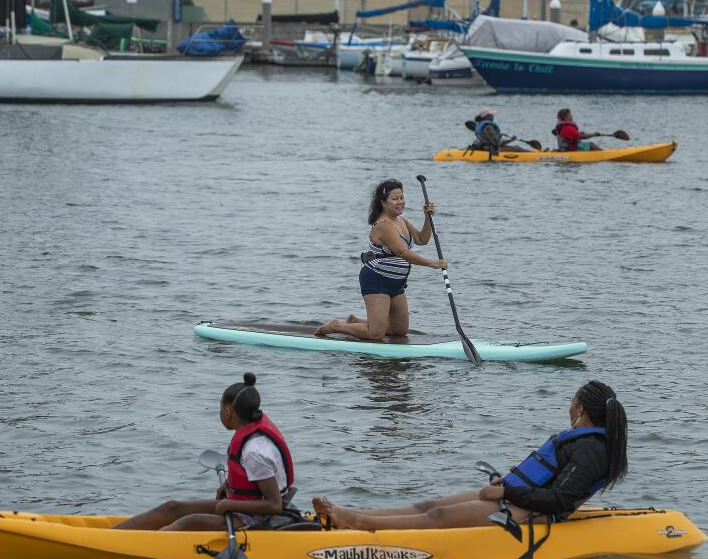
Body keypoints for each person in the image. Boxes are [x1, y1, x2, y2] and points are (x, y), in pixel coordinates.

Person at [312, 380, 627, 531]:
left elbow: (559, 500)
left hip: (535, 512)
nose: (569, 404)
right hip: (518, 498)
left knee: (437, 518)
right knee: (429, 505)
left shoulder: (592, 450)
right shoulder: (584, 442)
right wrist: (505, 484)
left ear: (581, 408)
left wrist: (506, 491)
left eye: (571, 399)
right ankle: (352, 512)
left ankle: (357, 523)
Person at [113, 373, 296, 531]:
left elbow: (274, 505)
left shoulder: (254, 452)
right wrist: (228, 484)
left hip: (257, 519)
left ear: (227, 411)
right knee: (172, 507)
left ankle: (132, 546)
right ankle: (111, 535)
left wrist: (229, 504)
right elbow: (252, 481)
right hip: (245, 507)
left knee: (189, 522)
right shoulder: (250, 433)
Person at [315, 179, 445, 341]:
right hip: (377, 280)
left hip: (397, 282)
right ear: (383, 203)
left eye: (402, 197)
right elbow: (402, 252)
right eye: (395, 199)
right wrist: (432, 263)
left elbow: (421, 239)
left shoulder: (401, 221)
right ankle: (336, 326)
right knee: (376, 334)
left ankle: (355, 322)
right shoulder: (384, 225)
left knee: (399, 331)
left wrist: (427, 218)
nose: (400, 202)